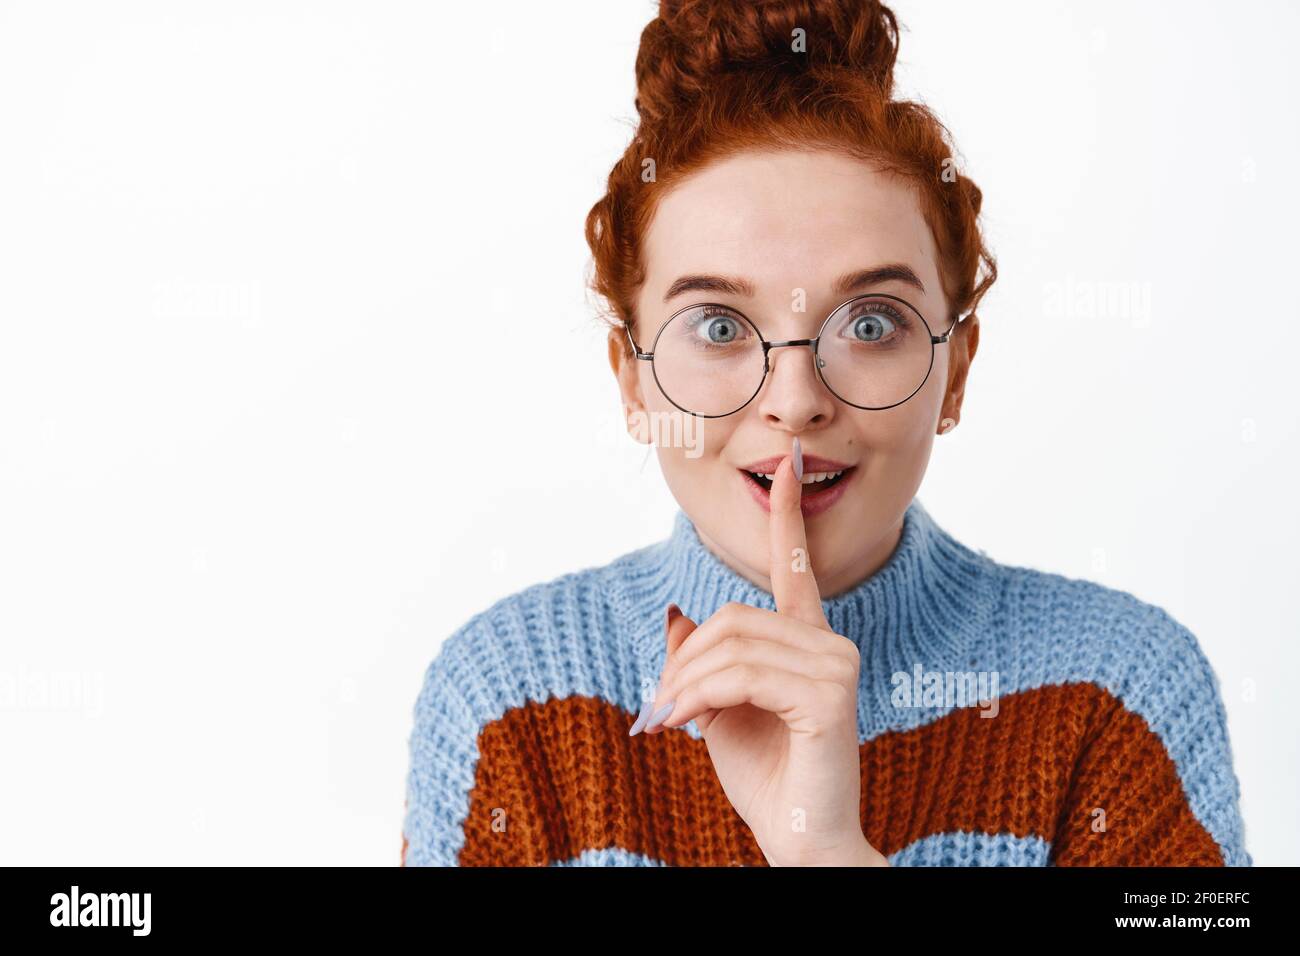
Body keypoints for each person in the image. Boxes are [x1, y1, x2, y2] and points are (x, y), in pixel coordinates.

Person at [401, 0, 1250, 866]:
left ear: (954, 372)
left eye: (872, 323)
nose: (796, 400)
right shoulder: (507, 700)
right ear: (632, 376)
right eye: (721, 328)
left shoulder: (1119, 691)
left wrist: (827, 851)